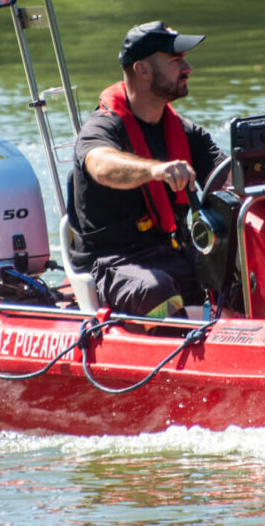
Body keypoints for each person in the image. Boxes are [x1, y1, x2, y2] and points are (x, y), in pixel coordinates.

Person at [68, 20, 226, 317]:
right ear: (142, 70)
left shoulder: (184, 132)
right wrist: (155, 171)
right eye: (175, 60)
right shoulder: (101, 128)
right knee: (155, 290)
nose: (188, 68)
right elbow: (100, 164)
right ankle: (182, 353)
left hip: (172, 252)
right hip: (113, 263)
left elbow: (228, 176)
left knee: (240, 269)